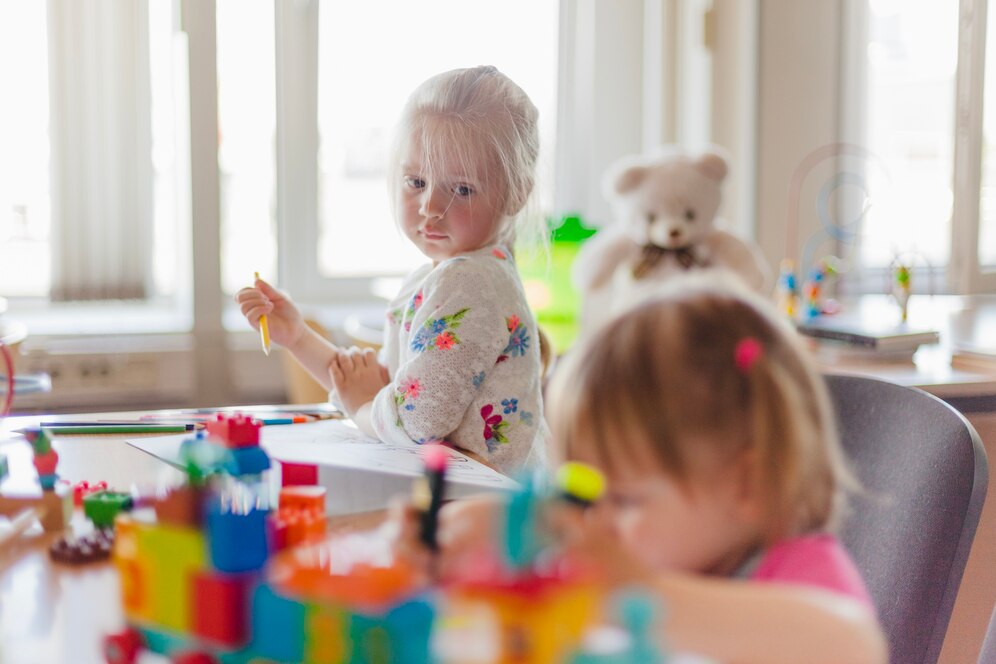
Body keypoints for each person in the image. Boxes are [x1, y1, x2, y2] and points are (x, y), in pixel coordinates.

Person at [394, 277, 887, 664]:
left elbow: (853, 645)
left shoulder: (796, 573)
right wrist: (473, 537)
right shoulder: (644, 548)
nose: (594, 522)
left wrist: (635, 591)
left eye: (626, 500)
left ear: (749, 484)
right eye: (583, 491)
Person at [236, 66, 546, 475]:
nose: (431, 206)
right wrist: (297, 336)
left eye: (462, 188)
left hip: (478, 509)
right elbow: (393, 388)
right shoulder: (442, 275)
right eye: (416, 181)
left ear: (515, 192)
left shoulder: (470, 282)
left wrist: (363, 407)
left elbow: (414, 419)